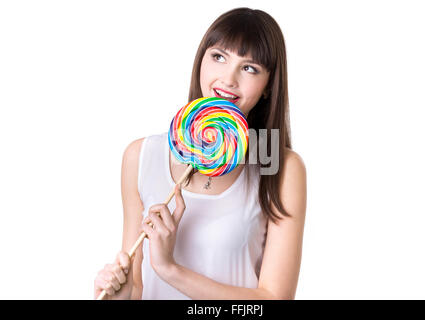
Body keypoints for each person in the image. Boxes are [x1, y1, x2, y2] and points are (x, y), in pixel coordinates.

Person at [94, 7, 307, 300]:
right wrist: (120, 293)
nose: (228, 79)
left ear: (268, 85)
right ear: (201, 60)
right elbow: (137, 288)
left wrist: (170, 269)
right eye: (219, 57)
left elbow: (275, 298)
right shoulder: (141, 156)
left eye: (249, 68)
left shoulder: (278, 165)